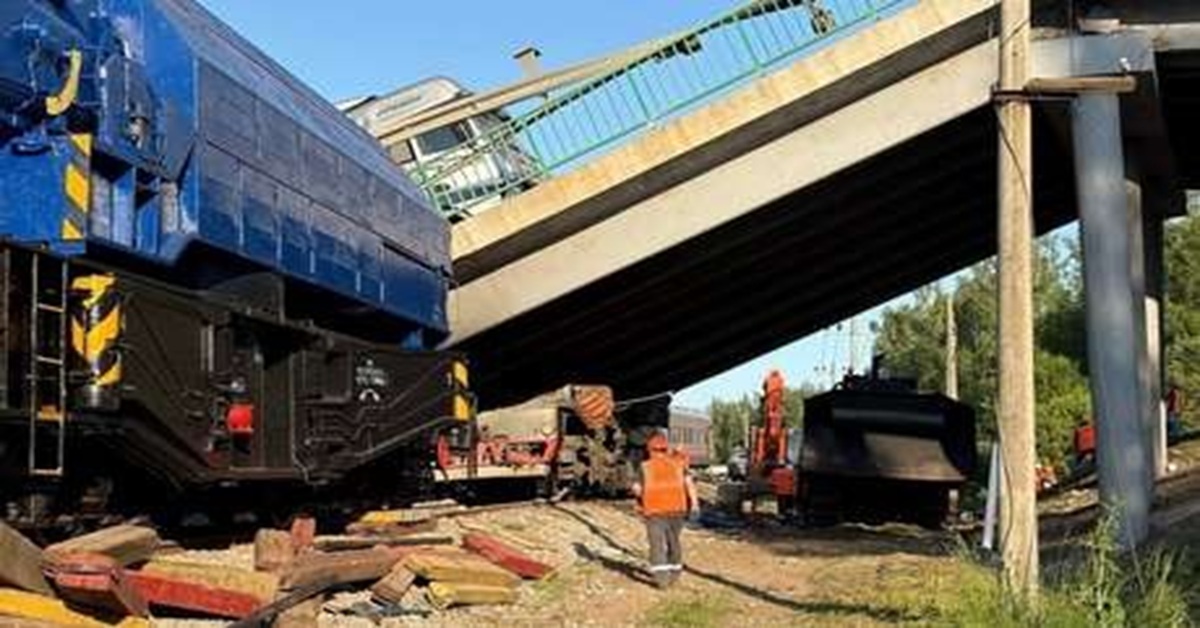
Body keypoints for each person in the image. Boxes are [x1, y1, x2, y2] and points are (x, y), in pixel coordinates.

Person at [632, 430, 698, 589]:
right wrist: (695, 505)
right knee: (673, 541)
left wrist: (639, 500)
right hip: (677, 510)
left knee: (657, 544)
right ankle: (675, 573)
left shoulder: (645, 467)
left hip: (654, 511)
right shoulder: (677, 463)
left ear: (649, 449)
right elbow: (689, 484)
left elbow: (636, 489)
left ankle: (661, 579)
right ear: (666, 448)